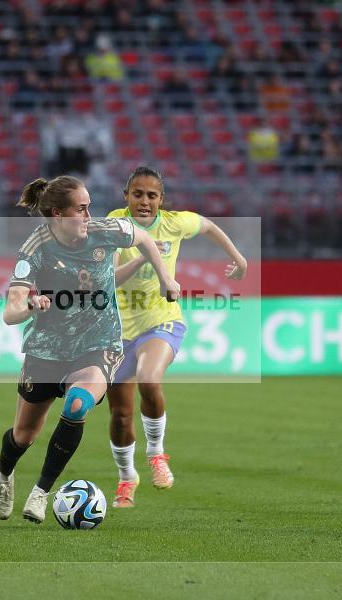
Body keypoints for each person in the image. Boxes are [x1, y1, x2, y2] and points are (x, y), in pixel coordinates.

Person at [0, 175, 181, 523]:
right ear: (57, 215)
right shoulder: (35, 248)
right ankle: (4, 473)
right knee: (23, 435)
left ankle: (41, 493)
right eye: (81, 209)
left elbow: (145, 239)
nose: (89, 215)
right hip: (47, 350)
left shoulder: (106, 230)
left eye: (90, 206)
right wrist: (31, 306)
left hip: (98, 344)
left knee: (78, 405)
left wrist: (166, 277)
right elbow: (9, 312)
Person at [105, 166, 248, 507]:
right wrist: (145, 256)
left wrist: (239, 259)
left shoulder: (174, 223)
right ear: (126, 196)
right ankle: (127, 477)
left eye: (151, 196)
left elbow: (210, 226)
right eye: (137, 194)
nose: (144, 201)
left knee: (149, 380)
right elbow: (110, 278)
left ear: (161, 200)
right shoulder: (114, 223)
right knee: (120, 415)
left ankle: (156, 455)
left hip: (163, 320)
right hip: (116, 329)